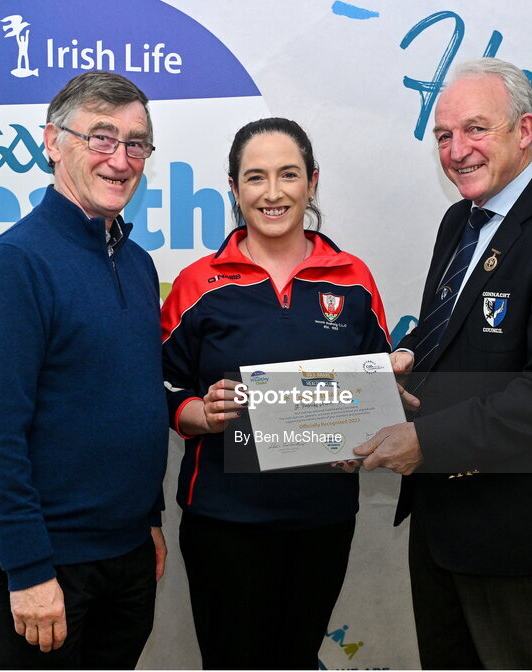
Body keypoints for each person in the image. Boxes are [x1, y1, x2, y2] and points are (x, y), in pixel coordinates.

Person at [351, 58, 532, 668]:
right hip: (441, 520)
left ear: (524, 131)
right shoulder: (459, 223)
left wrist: (423, 441)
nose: (456, 150)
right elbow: (451, 331)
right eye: (444, 135)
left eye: (475, 129)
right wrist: (402, 361)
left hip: (510, 529)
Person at [161, 117, 392, 669]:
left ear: (312, 183)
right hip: (225, 520)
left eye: (288, 175)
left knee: (296, 659)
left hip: (323, 517)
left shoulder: (352, 277)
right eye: (255, 177)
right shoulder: (198, 282)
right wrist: (198, 412)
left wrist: (383, 401)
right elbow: (161, 383)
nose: (272, 192)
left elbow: (380, 381)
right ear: (235, 190)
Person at [0, 71, 168, 670]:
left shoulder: (135, 263)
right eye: (101, 138)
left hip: (127, 554)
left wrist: (147, 519)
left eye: (136, 144)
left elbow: (132, 402)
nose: (120, 160)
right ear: (53, 142)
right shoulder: (15, 265)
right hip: (48, 569)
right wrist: (26, 571)